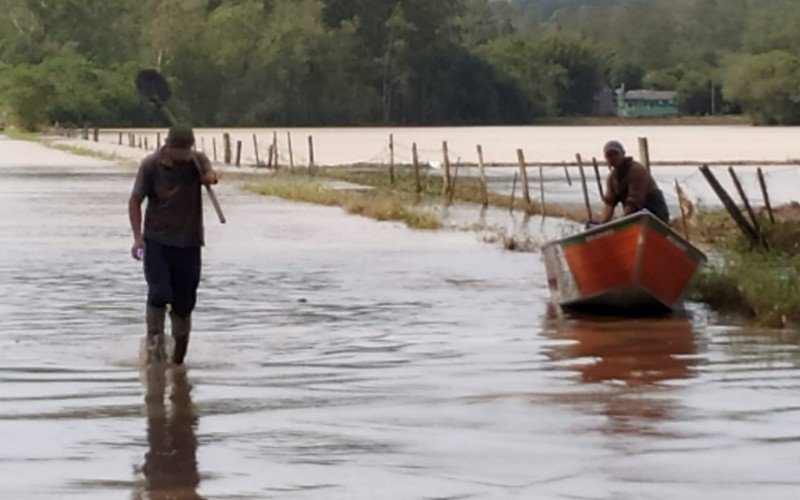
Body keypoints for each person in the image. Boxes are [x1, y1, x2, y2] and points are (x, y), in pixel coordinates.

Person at [129, 125, 218, 364]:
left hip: (189, 243)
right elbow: (135, 200)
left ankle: (178, 363)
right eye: (178, 150)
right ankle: (154, 355)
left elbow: (211, 175)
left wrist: (209, 177)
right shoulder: (150, 165)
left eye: (186, 150)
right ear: (167, 147)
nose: (182, 156)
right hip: (157, 241)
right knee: (159, 293)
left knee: (184, 302)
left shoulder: (196, 161)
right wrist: (138, 238)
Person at [599, 140, 669, 224]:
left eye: (616, 154)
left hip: (655, 213)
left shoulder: (636, 170)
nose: (613, 157)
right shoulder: (612, 178)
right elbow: (609, 204)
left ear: (623, 153)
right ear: (606, 158)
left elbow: (634, 203)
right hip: (636, 217)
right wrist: (602, 225)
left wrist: (620, 223)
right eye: (609, 155)